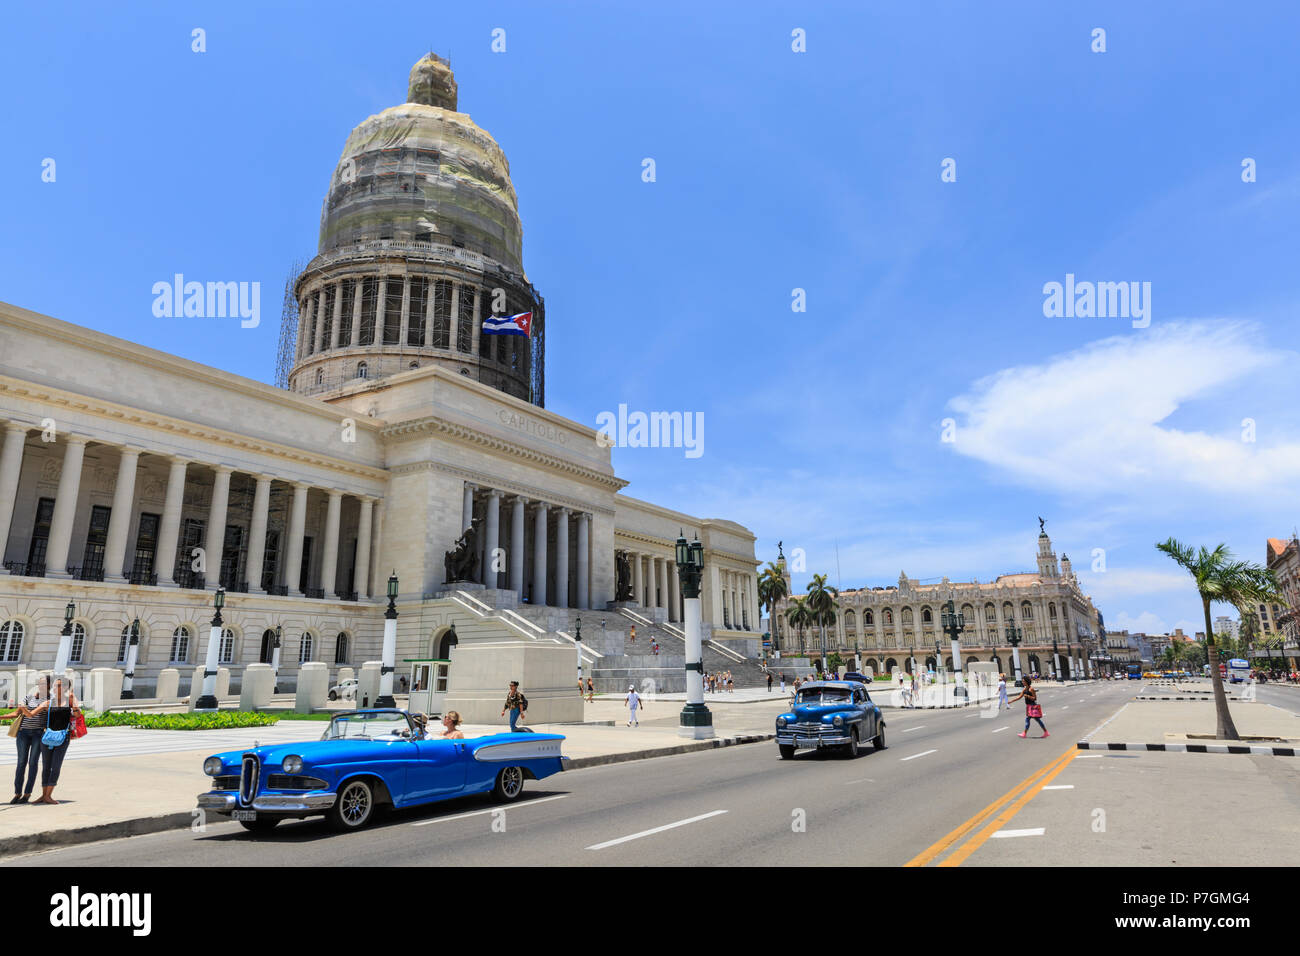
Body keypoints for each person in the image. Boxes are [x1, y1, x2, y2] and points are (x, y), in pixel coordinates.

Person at [32, 677, 79, 804]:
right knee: (46, 767)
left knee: (55, 767)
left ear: (64, 687)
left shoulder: (69, 701)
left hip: (63, 737)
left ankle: (48, 795)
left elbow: (77, 715)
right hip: (47, 737)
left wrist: (74, 702)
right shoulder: (49, 702)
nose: (54, 688)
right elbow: (32, 714)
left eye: (57, 685)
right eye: (54, 686)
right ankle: (44, 795)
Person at [4, 674, 48, 804]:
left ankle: (27, 793)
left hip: (38, 734)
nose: (41, 686)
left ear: (49, 686)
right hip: (23, 733)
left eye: (44, 684)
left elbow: (30, 714)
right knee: (21, 763)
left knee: (33, 763)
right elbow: (16, 713)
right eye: (40, 683)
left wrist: (23, 708)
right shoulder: (29, 698)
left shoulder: (49, 700)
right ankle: (17, 793)